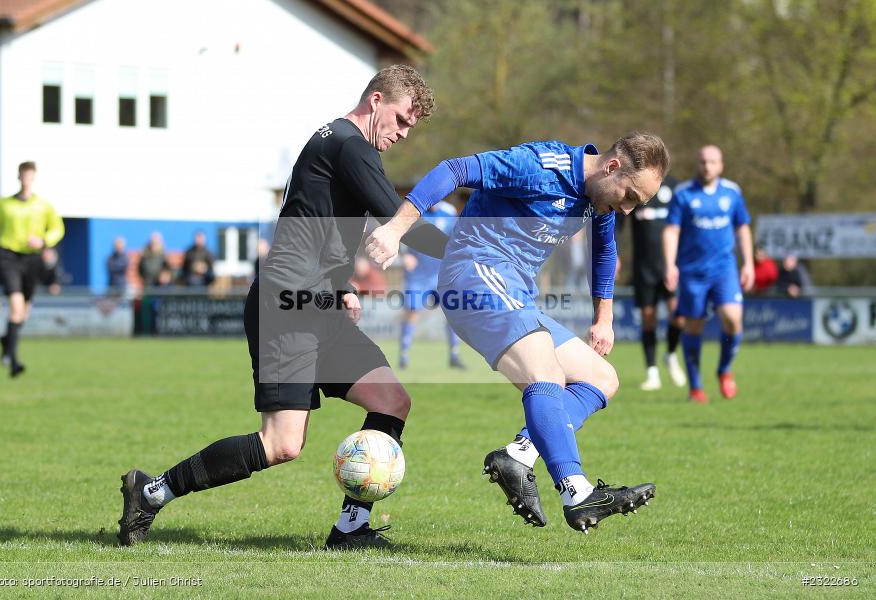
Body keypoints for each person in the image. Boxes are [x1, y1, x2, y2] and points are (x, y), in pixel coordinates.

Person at [118, 65, 447, 550]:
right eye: (400, 120)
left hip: (318, 305)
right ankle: (150, 492)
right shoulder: (350, 144)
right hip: (287, 307)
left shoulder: (337, 140)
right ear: (376, 100)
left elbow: (315, 222)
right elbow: (398, 218)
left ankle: (351, 529)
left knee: (392, 400)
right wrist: (469, 251)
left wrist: (341, 287)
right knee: (281, 444)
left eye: (409, 129)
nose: (400, 134)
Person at [366, 132, 665, 533]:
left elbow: (605, 251)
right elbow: (453, 169)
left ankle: (519, 455)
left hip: (513, 290)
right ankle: (576, 492)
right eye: (630, 196)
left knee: (601, 378)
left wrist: (603, 317)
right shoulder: (539, 165)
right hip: (473, 274)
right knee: (546, 375)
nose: (627, 209)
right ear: (612, 167)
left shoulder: (599, 198)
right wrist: (395, 229)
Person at [663, 145, 754, 404]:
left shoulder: (732, 193)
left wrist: (748, 263)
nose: (707, 166)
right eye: (703, 161)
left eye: (712, 162)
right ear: (697, 164)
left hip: (724, 269)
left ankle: (724, 369)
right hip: (692, 272)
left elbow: (743, 228)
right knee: (693, 326)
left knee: (733, 318)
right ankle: (696, 387)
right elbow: (671, 231)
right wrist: (670, 264)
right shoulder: (683, 194)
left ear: (721, 165)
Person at [0, 161, 64, 377]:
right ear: (19, 178)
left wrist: (44, 240)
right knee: (16, 307)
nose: (26, 180)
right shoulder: (6, 204)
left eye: (30, 177)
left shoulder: (43, 206)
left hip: (31, 259)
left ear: (33, 179)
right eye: (24, 176)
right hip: (9, 257)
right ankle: (13, 361)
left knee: (24, 313)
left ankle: (6, 341)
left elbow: (57, 228)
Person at [618, 175, 686, 391]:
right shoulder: (636, 188)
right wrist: (615, 254)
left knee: (680, 316)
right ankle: (652, 372)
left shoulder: (675, 189)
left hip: (672, 267)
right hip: (644, 267)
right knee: (649, 319)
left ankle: (671, 354)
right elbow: (618, 224)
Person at [398, 200, 465, 370]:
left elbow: (457, 237)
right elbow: (397, 232)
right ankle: (403, 356)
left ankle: (454, 356)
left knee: (452, 312)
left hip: (443, 273)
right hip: (418, 274)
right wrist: (403, 254)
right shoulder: (413, 212)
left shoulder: (449, 212)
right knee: (412, 312)